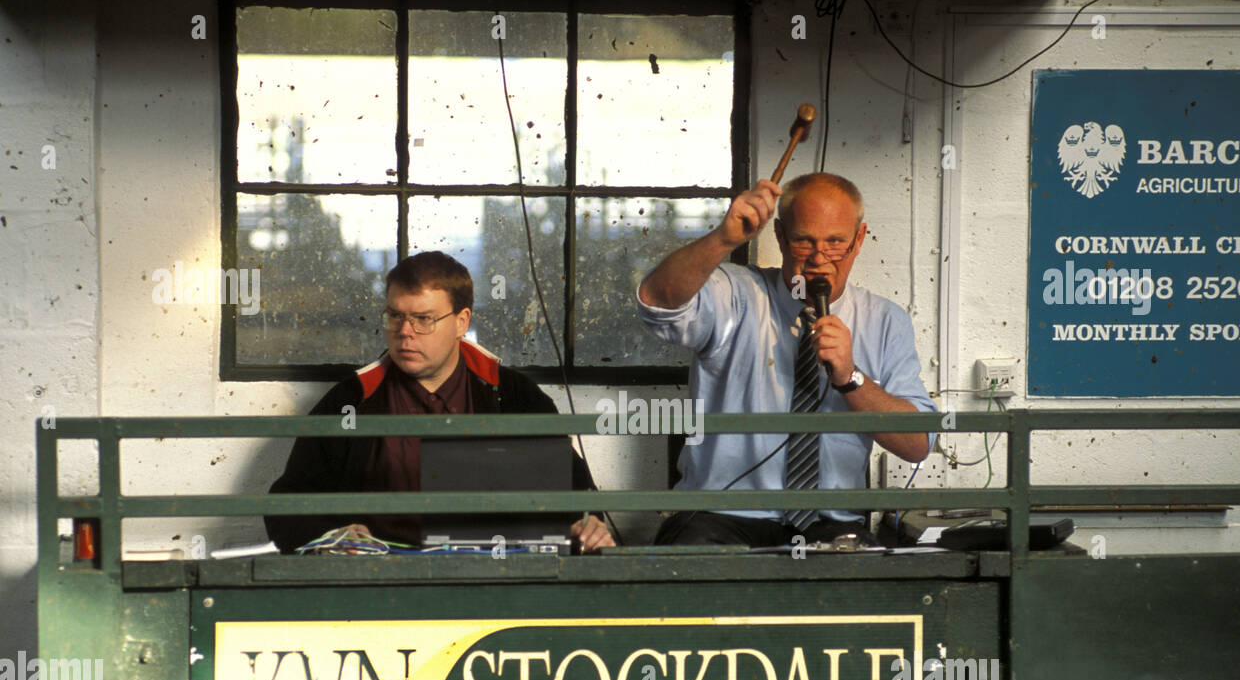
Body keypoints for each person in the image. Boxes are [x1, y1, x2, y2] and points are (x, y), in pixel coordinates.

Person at [637, 172, 936, 546]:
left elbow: (918, 443)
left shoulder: (885, 320)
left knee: (865, 589)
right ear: (779, 236)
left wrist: (849, 377)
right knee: (691, 574)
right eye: (803, 241)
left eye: (835, 242)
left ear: (859, 240)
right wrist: (722, 239)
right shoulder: (737, 293)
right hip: (721, 513)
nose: (818, 259)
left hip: (830, 519)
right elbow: (656, 300)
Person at [265, 251, 614, 553]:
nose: (405, 331)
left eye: (424, 319)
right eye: (395, 315)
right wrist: (332, 534)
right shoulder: (350, 402)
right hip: (378, 581)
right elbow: (289, 504)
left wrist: (587, 524)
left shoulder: (514, 396)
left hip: (493, 579)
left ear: (462, 321)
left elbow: (574, 495)